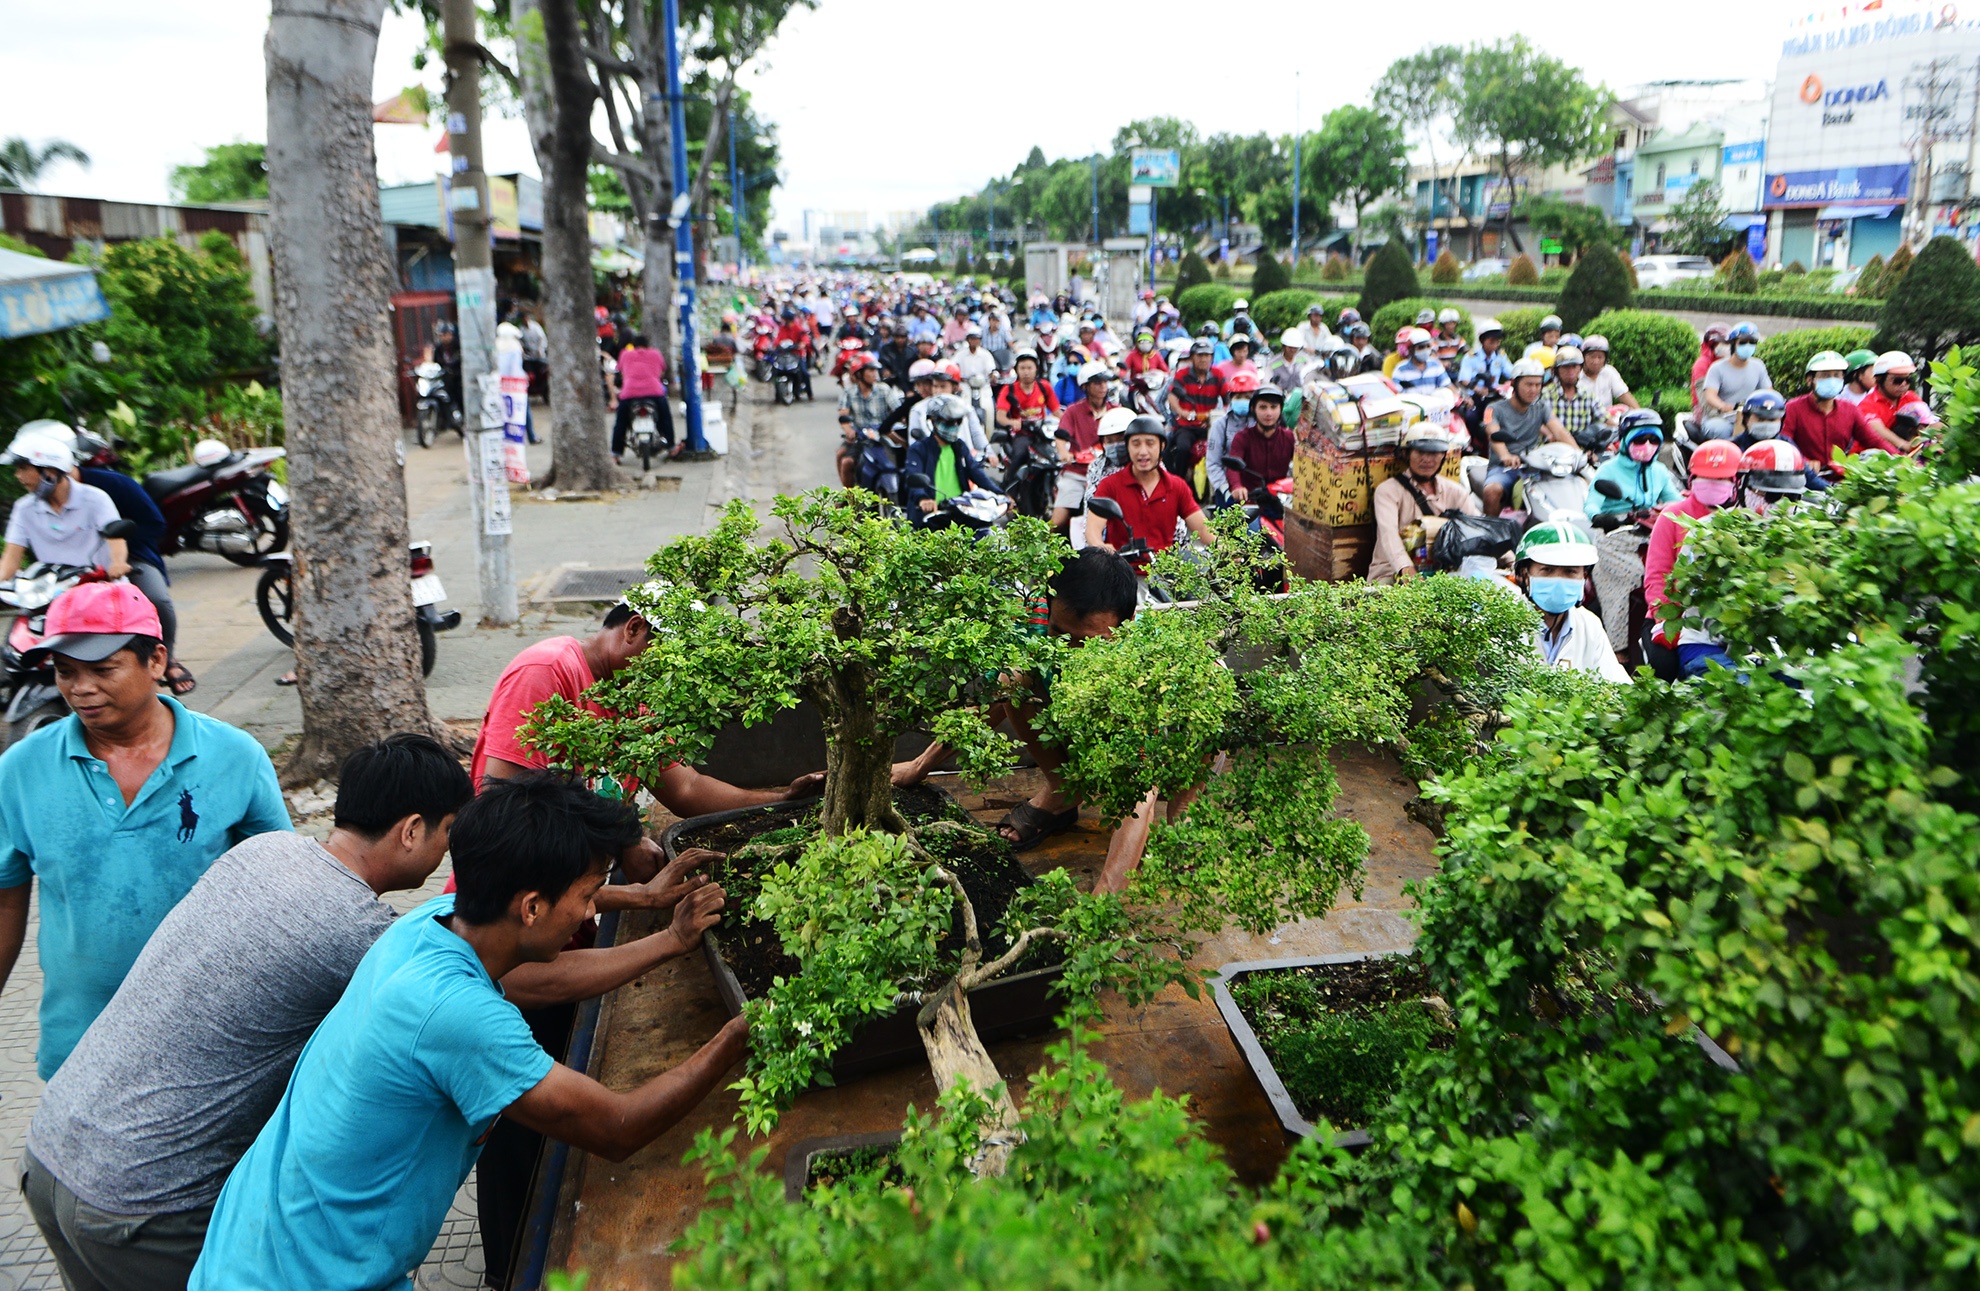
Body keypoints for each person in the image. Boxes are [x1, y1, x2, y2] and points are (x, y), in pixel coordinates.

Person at [186, 774, 750, 1290]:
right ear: (530, 907)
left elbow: (546, 979)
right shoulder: (461, 1018)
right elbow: (616, 1126)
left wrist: (668, 937)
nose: (587, 914)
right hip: (305, 1277)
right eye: (585, 895)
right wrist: (738, 1034)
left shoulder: (428, 924)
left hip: (254, 1244)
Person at [21, 737, 483, 1289]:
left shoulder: (261, 852)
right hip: (143, 1204)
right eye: (449, 833)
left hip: (51, 1152)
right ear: (412, 830)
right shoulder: (356, 933)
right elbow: (470, 991)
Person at [0, 582, 290, 1081]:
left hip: (214, 1044)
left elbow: (284, 889)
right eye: (66, 672)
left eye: (102, 669)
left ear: (156, 661)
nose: (80, 688)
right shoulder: (22, 769)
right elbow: (6, 901)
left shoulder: (234, 756)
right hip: (81, 1049)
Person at [893, 547, 1138, 848]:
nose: (1070, 650)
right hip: (1057, 724)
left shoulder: (1139, 658)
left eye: (1086, 642)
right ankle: (1063, 788)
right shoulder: (1036, 613)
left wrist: (1107, 892)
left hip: (1117, 749)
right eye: (1060, 633)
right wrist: (920, 765)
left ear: (1126, 625)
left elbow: (1144, 793)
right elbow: (997, 697)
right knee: (1012, 677)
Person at [1644, 439, 1743, 678]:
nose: (1714, 484)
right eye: (1705, 478)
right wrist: (1666, 620)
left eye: (1722, 479)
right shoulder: (1673, 516)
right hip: (1677, 616)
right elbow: (1657, 576)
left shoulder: (1744, 519)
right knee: (1664, 666)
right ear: (1691, 480)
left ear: (1737, 481)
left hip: (1728, 621)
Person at [1514, 521, 1629, 682]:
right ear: (1525, 575)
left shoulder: (1589, 625)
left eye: (1570, 571)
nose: (1559, 579)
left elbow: (1617, 686)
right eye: (1547, 570)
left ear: (1584, 577)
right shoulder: (1505, 623)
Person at [1086, 418, 1215, 561]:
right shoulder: (1110, 485)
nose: (1143, 452)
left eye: (1150, 443)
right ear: (1128, 447)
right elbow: (1092, 531)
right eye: (1136, 444)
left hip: (1164, 572)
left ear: (1162, 446)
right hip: (1124, 571)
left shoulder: (1177, 486)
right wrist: (1102, 547)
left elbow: (1203, 529)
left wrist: (1229, 551)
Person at [1369, 425, 1478, 584]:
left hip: (1443, 575)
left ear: (1443, 456)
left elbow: (1479, 528)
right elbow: (1389, 535)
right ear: (1407, 454)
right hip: (1391, 573)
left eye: (1434, 453)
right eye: (1420, 452)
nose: (1427, 459)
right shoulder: (1387, 491)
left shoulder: (1456, 492)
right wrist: (1406, 569)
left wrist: (1511, 560)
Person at [1782, 349, 1901, 481]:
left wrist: (1900, 459)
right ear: (1810, 380)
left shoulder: (1850, 409)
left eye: (1837, 375)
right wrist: (1804, 461)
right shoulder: (1793, 408)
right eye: (1825, 375)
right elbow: (1785, 443)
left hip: (1841, 481)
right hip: (1804, 479)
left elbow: (1873, 440)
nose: (1832, 380)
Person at [1479, 358, 1573, 516]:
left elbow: (1560, 432)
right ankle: (1490, 534)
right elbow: (1493, 434)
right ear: (1514, 384)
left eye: (1538, 385)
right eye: (1529, 384)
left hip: (1534, 467)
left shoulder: (1541, 406)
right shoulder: (1493, 408)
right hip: (1505, 468)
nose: (1534, 390)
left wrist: (1578, 455)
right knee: (1492, 491)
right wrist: (1506, 456)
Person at [907, 394, 1004, 524]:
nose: (954, 426)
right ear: (933, 420)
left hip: (961, 511)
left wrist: (1001, 495)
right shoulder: (918, 449)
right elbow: (914, 477)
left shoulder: (960, 447)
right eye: (949, 422)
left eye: (958, 421)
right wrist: (923, 499)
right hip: (932, 516)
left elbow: (976, 472)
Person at [836, 354, 901, 488]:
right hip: (860, 438)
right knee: (844, 460)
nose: (875, 374)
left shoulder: (884, 390)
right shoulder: (849, 392)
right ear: (859, 374)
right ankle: (849, 498)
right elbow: (843, 415)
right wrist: (849, 430)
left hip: (884, 435)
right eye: (870, 370)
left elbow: (898, 411)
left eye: (876, 370)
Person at [1697, 322, 1769, 439]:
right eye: (1743, 342)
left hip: (1749, 417)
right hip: (1721, 418)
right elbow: (1710, 395)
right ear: (1733, 344)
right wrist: (1723, 406)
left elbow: (1768, 392)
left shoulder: (1758, 366)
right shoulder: (1717, 368)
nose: (1748, 345)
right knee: (1724, 431)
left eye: (1752, 342)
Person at [1224, 385, 1293, 504]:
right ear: (1253, 409)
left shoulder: (1289, 437)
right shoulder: (1242, 437)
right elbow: (1233, 468)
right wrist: (1237, 487)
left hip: (1282, 501)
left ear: (1281, 409)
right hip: (1250, 501)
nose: (1269, 413)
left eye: (1273, 407)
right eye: (1263, 407)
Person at [611, 334, 676, 460]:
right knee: (665, 418)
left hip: (629, 394)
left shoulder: (625, 354)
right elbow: (663, 369)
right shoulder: (655, 353)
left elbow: (619, 370)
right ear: (648, 345)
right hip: (654, 392)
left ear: (633, 345)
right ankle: (671, 447)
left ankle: (616, 454)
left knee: (620, 423)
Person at [1858, 351, 1938, 449]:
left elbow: (1930, 422)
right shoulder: (1867, 405)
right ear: (1879, 379)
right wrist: (1904, 445)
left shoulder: (1911, 397)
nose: (1904, 384)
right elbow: (1878, 429)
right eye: (1898, 380)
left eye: (1908, 380)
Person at [1543, 346, 1604, 448]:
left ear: (1580, 368)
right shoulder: (1545, 395)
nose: (1570, 372)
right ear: (1557, 370)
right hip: (1553, 450)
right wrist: (1548, 433)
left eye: (1574, 366)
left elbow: (1604, 417)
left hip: (1583, 451)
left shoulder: (1588, 394)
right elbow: (1535, 422)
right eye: (1566, 367)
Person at [997, 349, 1060, 431]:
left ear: (1036, 369)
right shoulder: (1009, 390)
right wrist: (1012, 422)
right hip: (1020, 433)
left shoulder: (1045, 386)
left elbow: (1056, 411)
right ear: (1017, 370)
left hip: (1042, 430)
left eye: (1030, 368)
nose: (1026, 372)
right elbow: (1000, 417)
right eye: (1022, 368)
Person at [1578, 336, 1637, 409]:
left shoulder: (1609, 372)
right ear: (1583, 357)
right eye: (1592, 357)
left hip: (1608, 418)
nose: (1596, 361)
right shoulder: (1575, 375)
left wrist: (1640, 414)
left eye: (1600, 357)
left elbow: (1624, 394)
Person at [1690, 326, 1730, 412]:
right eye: (1723, 343)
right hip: (1704, 410)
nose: (1727, 347)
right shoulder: (1702, 364)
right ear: (1712, 344)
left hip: (1725, 409)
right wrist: (1721, 411)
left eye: (1728, 344)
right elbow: (1704, 400)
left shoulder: (1726, 364)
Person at [1267, 329, 1308, 394]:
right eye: (1290, 347)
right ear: (1283, 346)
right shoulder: (1272, 364)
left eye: (1295, 348)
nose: (1292, 350)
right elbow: (1267, 384)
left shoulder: (1304, 361)